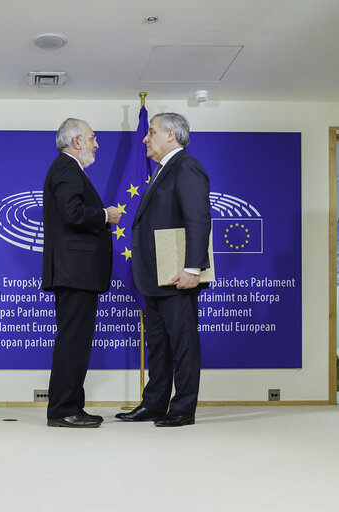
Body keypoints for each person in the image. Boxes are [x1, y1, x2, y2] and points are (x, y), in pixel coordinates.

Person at [116, 112, 211, 427]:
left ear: (171, 135)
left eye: (151, 131)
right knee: (158, 345)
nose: (146, 137)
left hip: (177, 276)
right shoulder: (162, 170)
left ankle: (183, 408)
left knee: (183, 344)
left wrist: (192, 268)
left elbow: (198, 219)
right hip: (155, 277)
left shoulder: (186, 166)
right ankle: (154, 404)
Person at [42, 118, 122, 428]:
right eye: (92, 138)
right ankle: (63, 410)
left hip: (76, 273)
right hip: (75, 272)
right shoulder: (66, 168)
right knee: (73, 342)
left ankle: (70, 405)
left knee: (74, 341)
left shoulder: (68, 169)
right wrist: (105, 215)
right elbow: (72, 212)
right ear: (76, 142)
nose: (96, 144)